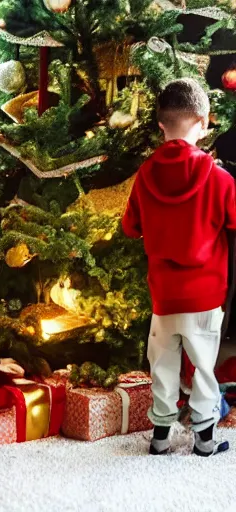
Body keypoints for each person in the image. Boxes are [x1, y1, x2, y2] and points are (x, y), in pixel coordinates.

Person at [122, 78, 236, 456]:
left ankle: (160, 437)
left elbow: (130, 227)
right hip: (205, 294)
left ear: (160, 125)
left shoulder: (145, 175)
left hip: (164, 295)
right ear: (203, 123)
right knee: (204, 366)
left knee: (163, 364)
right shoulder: (220, 179)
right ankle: (204, 440)